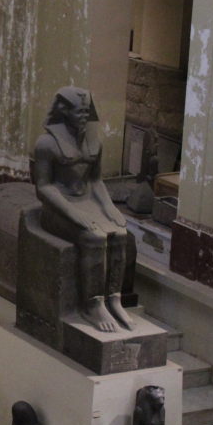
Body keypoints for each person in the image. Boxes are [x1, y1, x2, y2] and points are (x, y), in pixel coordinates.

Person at [34, 86, 134, 333]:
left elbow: (95, 180)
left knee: (121, 234)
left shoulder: (94, 142)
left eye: (86, 111)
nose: (83, 116)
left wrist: (109, 207)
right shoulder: (47, 143)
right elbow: (44, 187)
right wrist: (73, 213)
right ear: (63, 111)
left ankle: (114, 298)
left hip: (87, 201)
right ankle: (92, 304)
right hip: (59, 207)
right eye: (78, 111)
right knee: (94, 238)